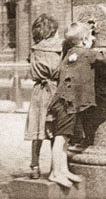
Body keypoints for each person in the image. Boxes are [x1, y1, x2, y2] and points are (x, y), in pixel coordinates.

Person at [47, 21, 106, 188]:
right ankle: (55, 173)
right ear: (85, 40)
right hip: (68, 103)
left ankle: (63, 170)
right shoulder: (87, 53)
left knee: (65, 138)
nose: (94, 39)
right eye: (91, 36)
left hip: (62, 101)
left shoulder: (70, 53)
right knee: (61, 138)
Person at [24, 13, 62, 179]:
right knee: (56, 129)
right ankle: (55, 166)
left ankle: (34, 166)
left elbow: (30, 66)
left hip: (39, 92)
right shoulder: (60, 47)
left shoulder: (35, 49)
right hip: (55, 90)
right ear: (52, 30)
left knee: (38, 131)